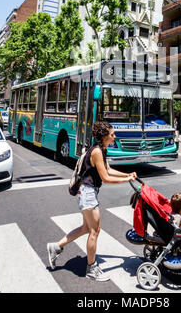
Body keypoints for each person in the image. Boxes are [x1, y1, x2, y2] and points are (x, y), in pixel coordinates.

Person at [47, 121, 137, 282]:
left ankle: (56, 246)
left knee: (86, 228)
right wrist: (126, 180)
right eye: (112, 134)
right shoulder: (96, 151)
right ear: (104, 137)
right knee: (94, 231)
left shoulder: (102, 149)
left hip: (88, 191)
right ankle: (91, 268)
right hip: (87, 192)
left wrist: (127, 175)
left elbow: (108, 170)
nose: (114, 136)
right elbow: (106, 178)